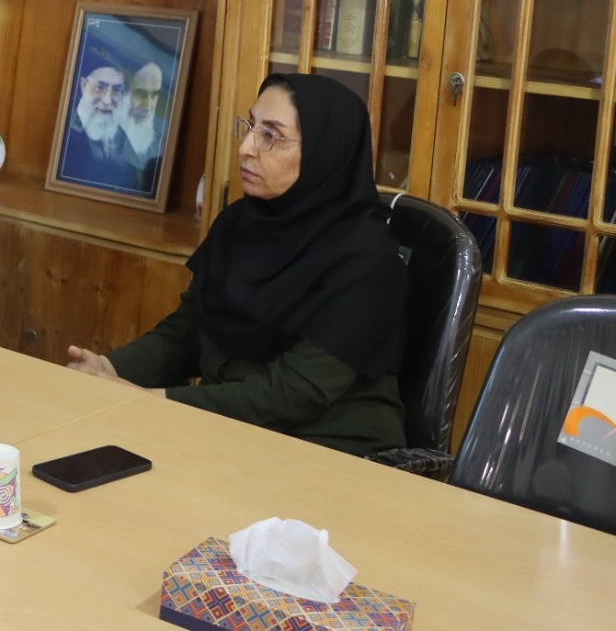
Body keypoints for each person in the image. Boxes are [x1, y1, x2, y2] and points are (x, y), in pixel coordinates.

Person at [67, 73, 407, 456]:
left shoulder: (366, 259)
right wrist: (107, 370)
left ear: (323, 153)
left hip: (333, 452)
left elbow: (290, 395)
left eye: (270, 136)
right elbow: (185, 336)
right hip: (231, 431)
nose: (246, 148)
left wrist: (145, 400)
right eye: (250, 126)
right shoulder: (240, 223)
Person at [58, 52, 143, 193]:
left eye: (116, 90)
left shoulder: (125, 145)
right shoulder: (63, 136)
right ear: (84, 86)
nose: (107, 101)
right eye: (100, 87)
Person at [119, 60, 167, 188]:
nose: (148, 105)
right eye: (140, 93)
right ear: (127, 92)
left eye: (154, 95)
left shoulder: (166, 134)